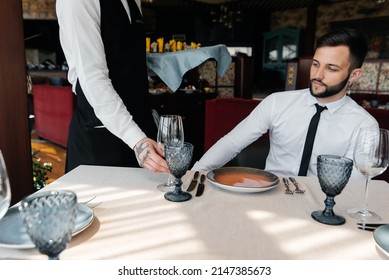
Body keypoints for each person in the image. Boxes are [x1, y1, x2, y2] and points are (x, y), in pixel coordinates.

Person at [192, 28, 378, 179]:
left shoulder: (364, 125)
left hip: (326, 206)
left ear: (354, 75)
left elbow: (356, 183)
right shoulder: (276, 102)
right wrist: (194, 174)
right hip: (272, 198)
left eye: (331, 68)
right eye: (315, 64)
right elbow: (232, 143)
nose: (318, 75)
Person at [56, 0, 168, 173]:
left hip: (142, 132)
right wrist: (137, 141)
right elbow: (93, 78)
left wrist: (170, 63)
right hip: (101, 140)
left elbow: (123, 58)